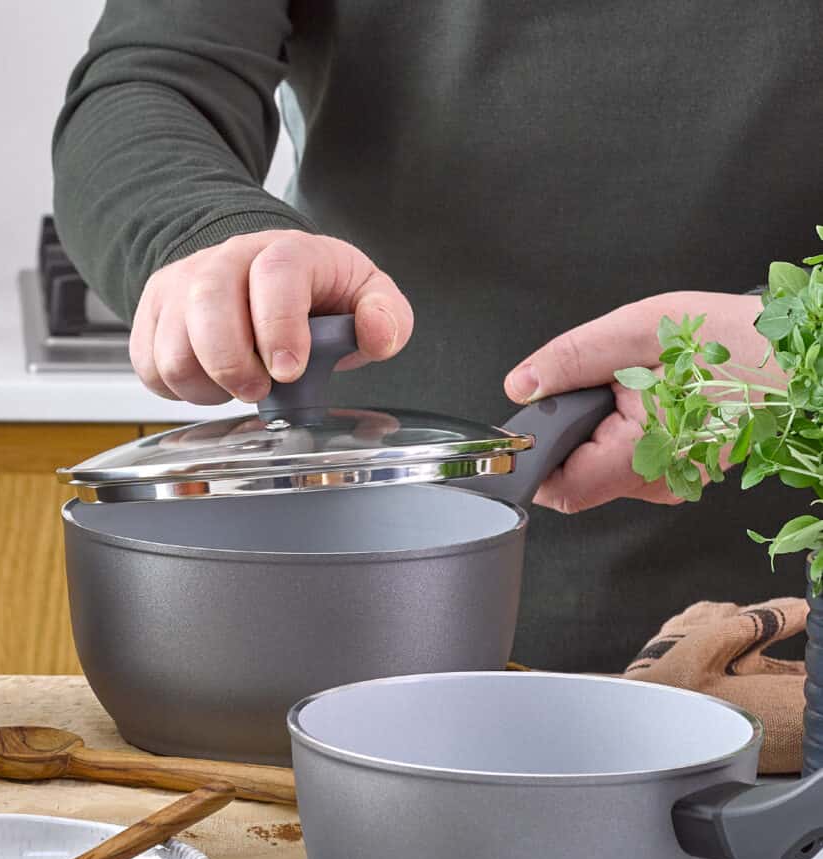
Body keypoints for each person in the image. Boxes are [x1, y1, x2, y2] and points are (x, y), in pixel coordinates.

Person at [53, 1, 823, 671]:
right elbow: (154, 77)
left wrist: (804, 344)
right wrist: (207, 233)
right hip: (359, 618)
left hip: (789, 646)